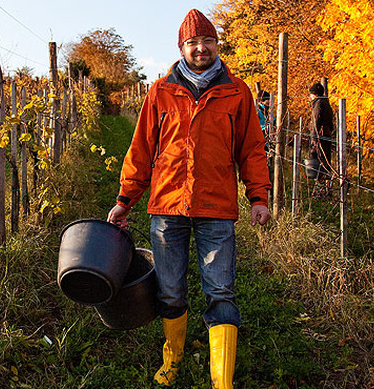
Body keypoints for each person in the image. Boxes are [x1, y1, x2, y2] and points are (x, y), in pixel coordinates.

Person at [106, 9, 272, 388]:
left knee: (221, 290)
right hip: (168, 206)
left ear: (217, 45)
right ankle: (174, 357)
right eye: (193, 43)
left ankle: (222, 380)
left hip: (217, 207)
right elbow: (142, 149)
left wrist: (258, 196)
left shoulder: (237, 92)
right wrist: (125, 199)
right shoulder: (161, 91)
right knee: (169, 288)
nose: (200, 48)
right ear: (182, 48)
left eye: (207, 41)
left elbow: (251, 149)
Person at [308, 82, 334, 197]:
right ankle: (325, 187)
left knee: (319, 160)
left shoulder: (318, 104)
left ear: (314, 94)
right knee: (325, 160)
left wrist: (314, 138)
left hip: (320, 136)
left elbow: (316, 121)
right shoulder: (326, 103)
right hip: (326, 135)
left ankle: (320, 188)